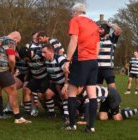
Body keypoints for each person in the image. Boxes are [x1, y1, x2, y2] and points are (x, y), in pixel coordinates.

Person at [63, 3, 100, 133]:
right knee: (92, 95)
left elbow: (74, 40)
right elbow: (97, 45)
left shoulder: (75, 20)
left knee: (71, 93)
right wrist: (93, 58)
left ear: (75, 12)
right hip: (93, 61)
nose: (72, 15)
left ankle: (72, 125)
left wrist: (67, 60)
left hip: (81, 60)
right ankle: (91, 127)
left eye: (72, 13)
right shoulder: (94, 24)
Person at [0, 31, 31, 124]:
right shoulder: (10, 41)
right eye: (17, 42)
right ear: (16, 39)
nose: (16, 44)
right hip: (1, 70)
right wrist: (11, 70)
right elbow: (12, 59)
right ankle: (18, 117)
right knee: (13, 92)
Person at [41, 44, 69, 121]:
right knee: (47, 94)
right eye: (42, 52)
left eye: (44, 52)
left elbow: (67, 72)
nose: (43, 54)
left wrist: (66, 85)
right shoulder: (46, 61)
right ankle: (51, 114)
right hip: (55, 83)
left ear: (51, 52)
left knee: (65, 94)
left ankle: (66, 115)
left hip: (65, 82)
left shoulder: (60, 59)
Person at [97, 21, 122, 89]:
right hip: (97, 68)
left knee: (112, 87)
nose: (99, 30)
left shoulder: (111, 39)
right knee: (97, 89)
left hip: (107, 68)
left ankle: (116, 99)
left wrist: (110, 25)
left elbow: (118, 31)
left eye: (101, 29)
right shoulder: (96, 39)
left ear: (106, 30)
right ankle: (101, 99)